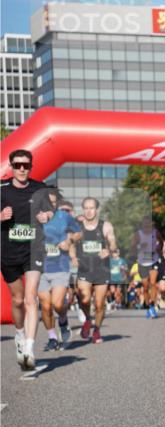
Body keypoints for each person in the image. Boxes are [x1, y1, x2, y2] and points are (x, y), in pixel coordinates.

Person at [1, 149, 56, 370]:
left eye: (26, 165)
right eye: (18, 165)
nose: (22, 169)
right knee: (17, 300)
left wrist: (46, 216)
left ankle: (29, 349)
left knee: (31, 298)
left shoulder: (39, 188)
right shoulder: (2, 189)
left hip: (34, 249)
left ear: (31, 166)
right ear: (11, 166)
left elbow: (51, 212)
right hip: (8, 251)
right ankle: (19, 334)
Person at [38, 191, 80, 351]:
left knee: (57, 304)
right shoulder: (35, 216)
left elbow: (78, 232)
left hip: (60, 267)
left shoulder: (63, 216)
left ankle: (63, 319)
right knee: (45, 306)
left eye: (54, 202)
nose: (50, 204)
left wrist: (68, 240)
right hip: (39, 267)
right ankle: (52, 338)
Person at [75, 196, 117, 344]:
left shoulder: (105, 226)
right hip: (84, 269)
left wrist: (109, 250)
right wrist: (72, 256)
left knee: (99, 304)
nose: (88, 211)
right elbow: (70, 242)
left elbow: (112, 242)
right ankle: (87, 319)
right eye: (86, 208)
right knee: (84, 299)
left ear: (97, 209)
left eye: (91, 208)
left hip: (101, 269)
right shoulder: (77, 226)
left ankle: (97, 330)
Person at [131, 215, 162, 318]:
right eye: (145, 223)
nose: (147, 225)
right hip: (142, 262)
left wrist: (158, 248)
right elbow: (133, 248)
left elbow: (161, 242)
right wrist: (140, 246)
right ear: (142, 224)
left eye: (148, 223)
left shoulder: (155, 232)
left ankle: (153, 305)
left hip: (154, 260)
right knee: (145, 286)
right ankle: (148, 306)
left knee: (153, 283)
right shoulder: (138, 235)